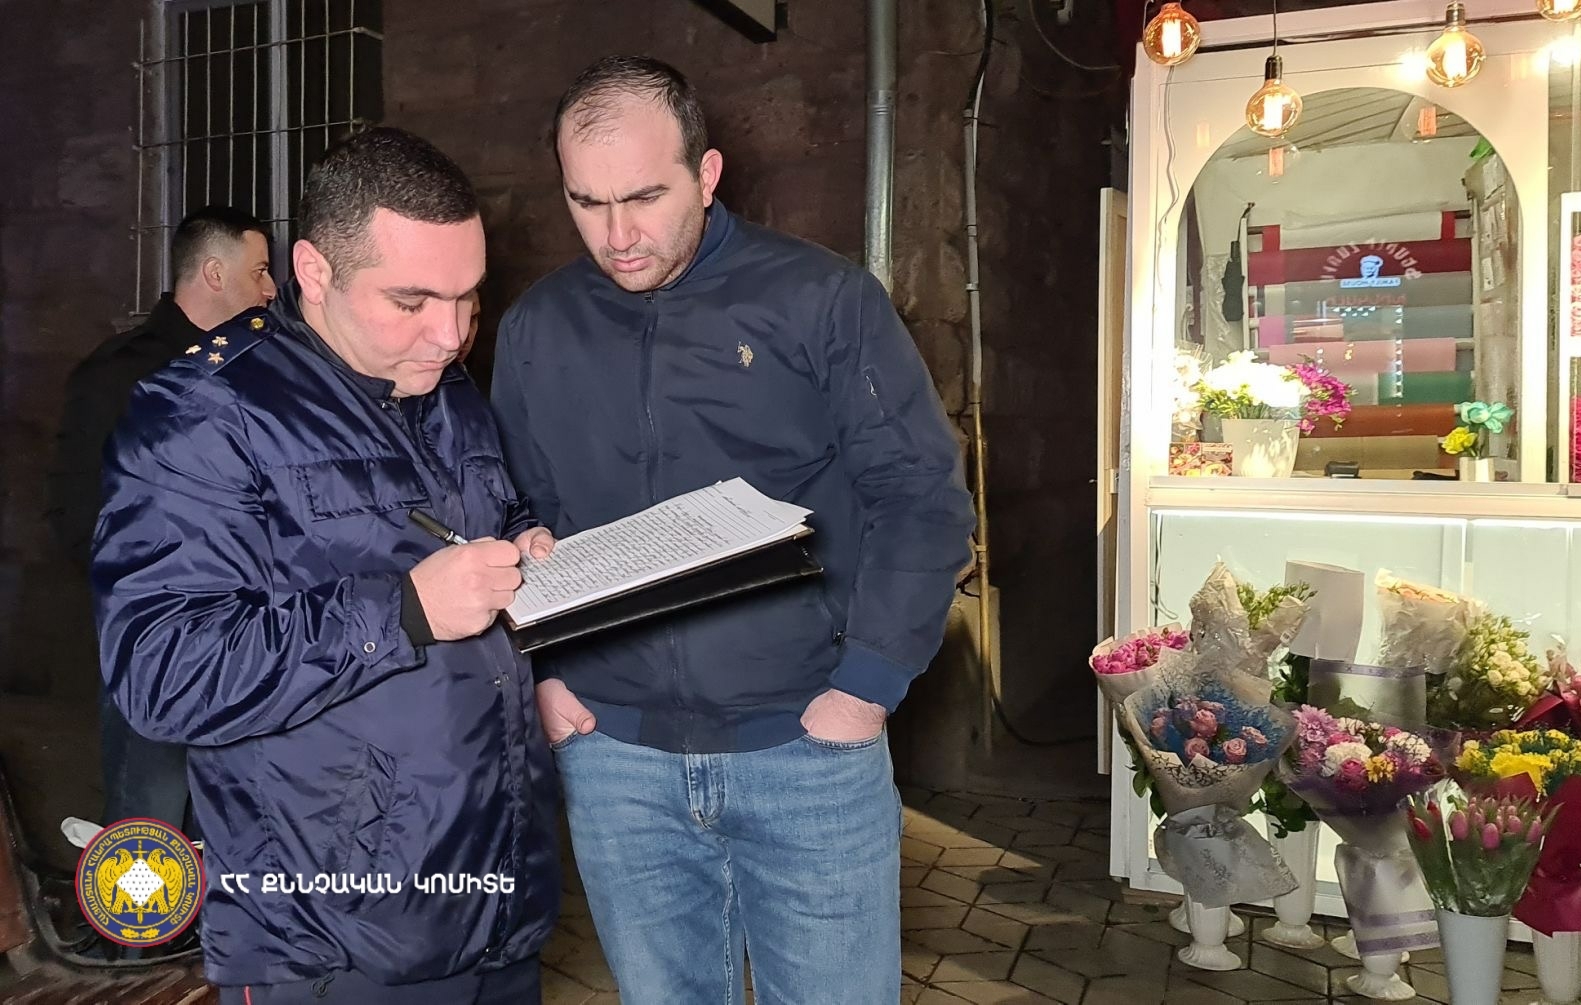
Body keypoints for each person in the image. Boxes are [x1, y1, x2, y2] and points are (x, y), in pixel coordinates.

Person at [491, 55, 976, 1004]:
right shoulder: (537, 327)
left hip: (805, 746)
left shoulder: (822, 299)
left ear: (707, 174)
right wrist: (543, 674)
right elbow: (516, 513)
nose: (618, 235)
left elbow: (921, 496)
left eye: (645, 197)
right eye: (587, 203)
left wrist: (865, 688)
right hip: (616, 757)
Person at [92, 127, 560, 1004]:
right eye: (412, 300)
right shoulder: (202, 415)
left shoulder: (443, 381)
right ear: (313, 271)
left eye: (468, 297)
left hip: (495, 895)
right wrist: (402, 612)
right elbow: (161, 672)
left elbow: (490, 511)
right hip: (330, 937)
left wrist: (525, 541)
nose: (450, 334)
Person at [47, 205, 274, 851]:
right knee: (150, 824)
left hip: (254, 639)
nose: (270, 289)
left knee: (231, 825)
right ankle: (133, 919)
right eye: (259, 271)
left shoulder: (260, 371)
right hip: (160, 641)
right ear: (214, 273)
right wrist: (145, 602)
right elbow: (75, 512)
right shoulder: (120, 375)